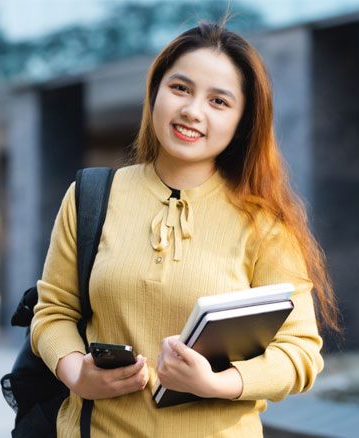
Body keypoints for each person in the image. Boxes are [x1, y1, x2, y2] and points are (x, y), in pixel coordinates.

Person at [31, 21, 340, 437]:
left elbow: (300, 352)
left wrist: (217, 383)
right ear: (155, 91)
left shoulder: (264, 223)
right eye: (180, 88)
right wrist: (75, 372)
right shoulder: (91, 197)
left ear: (242, 121)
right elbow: (53, 311)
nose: (193, 111)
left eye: (219, 101)